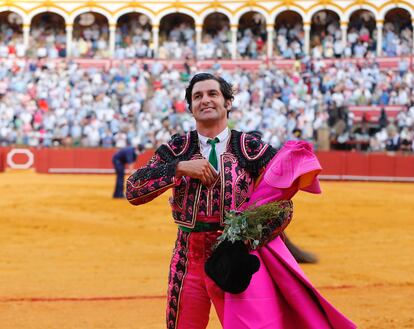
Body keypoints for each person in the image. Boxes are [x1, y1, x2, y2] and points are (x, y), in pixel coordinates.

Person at [126, 73, 355, 328]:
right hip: (188, 257)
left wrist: (246, 238)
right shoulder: (178, 148)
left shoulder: (251, 147)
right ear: (190, 108)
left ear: (228, 102)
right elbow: (133, 188)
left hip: (236, 258)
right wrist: (179, 167)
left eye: (213, 94)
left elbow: (282, 207)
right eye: (197, 96)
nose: (205, 100)